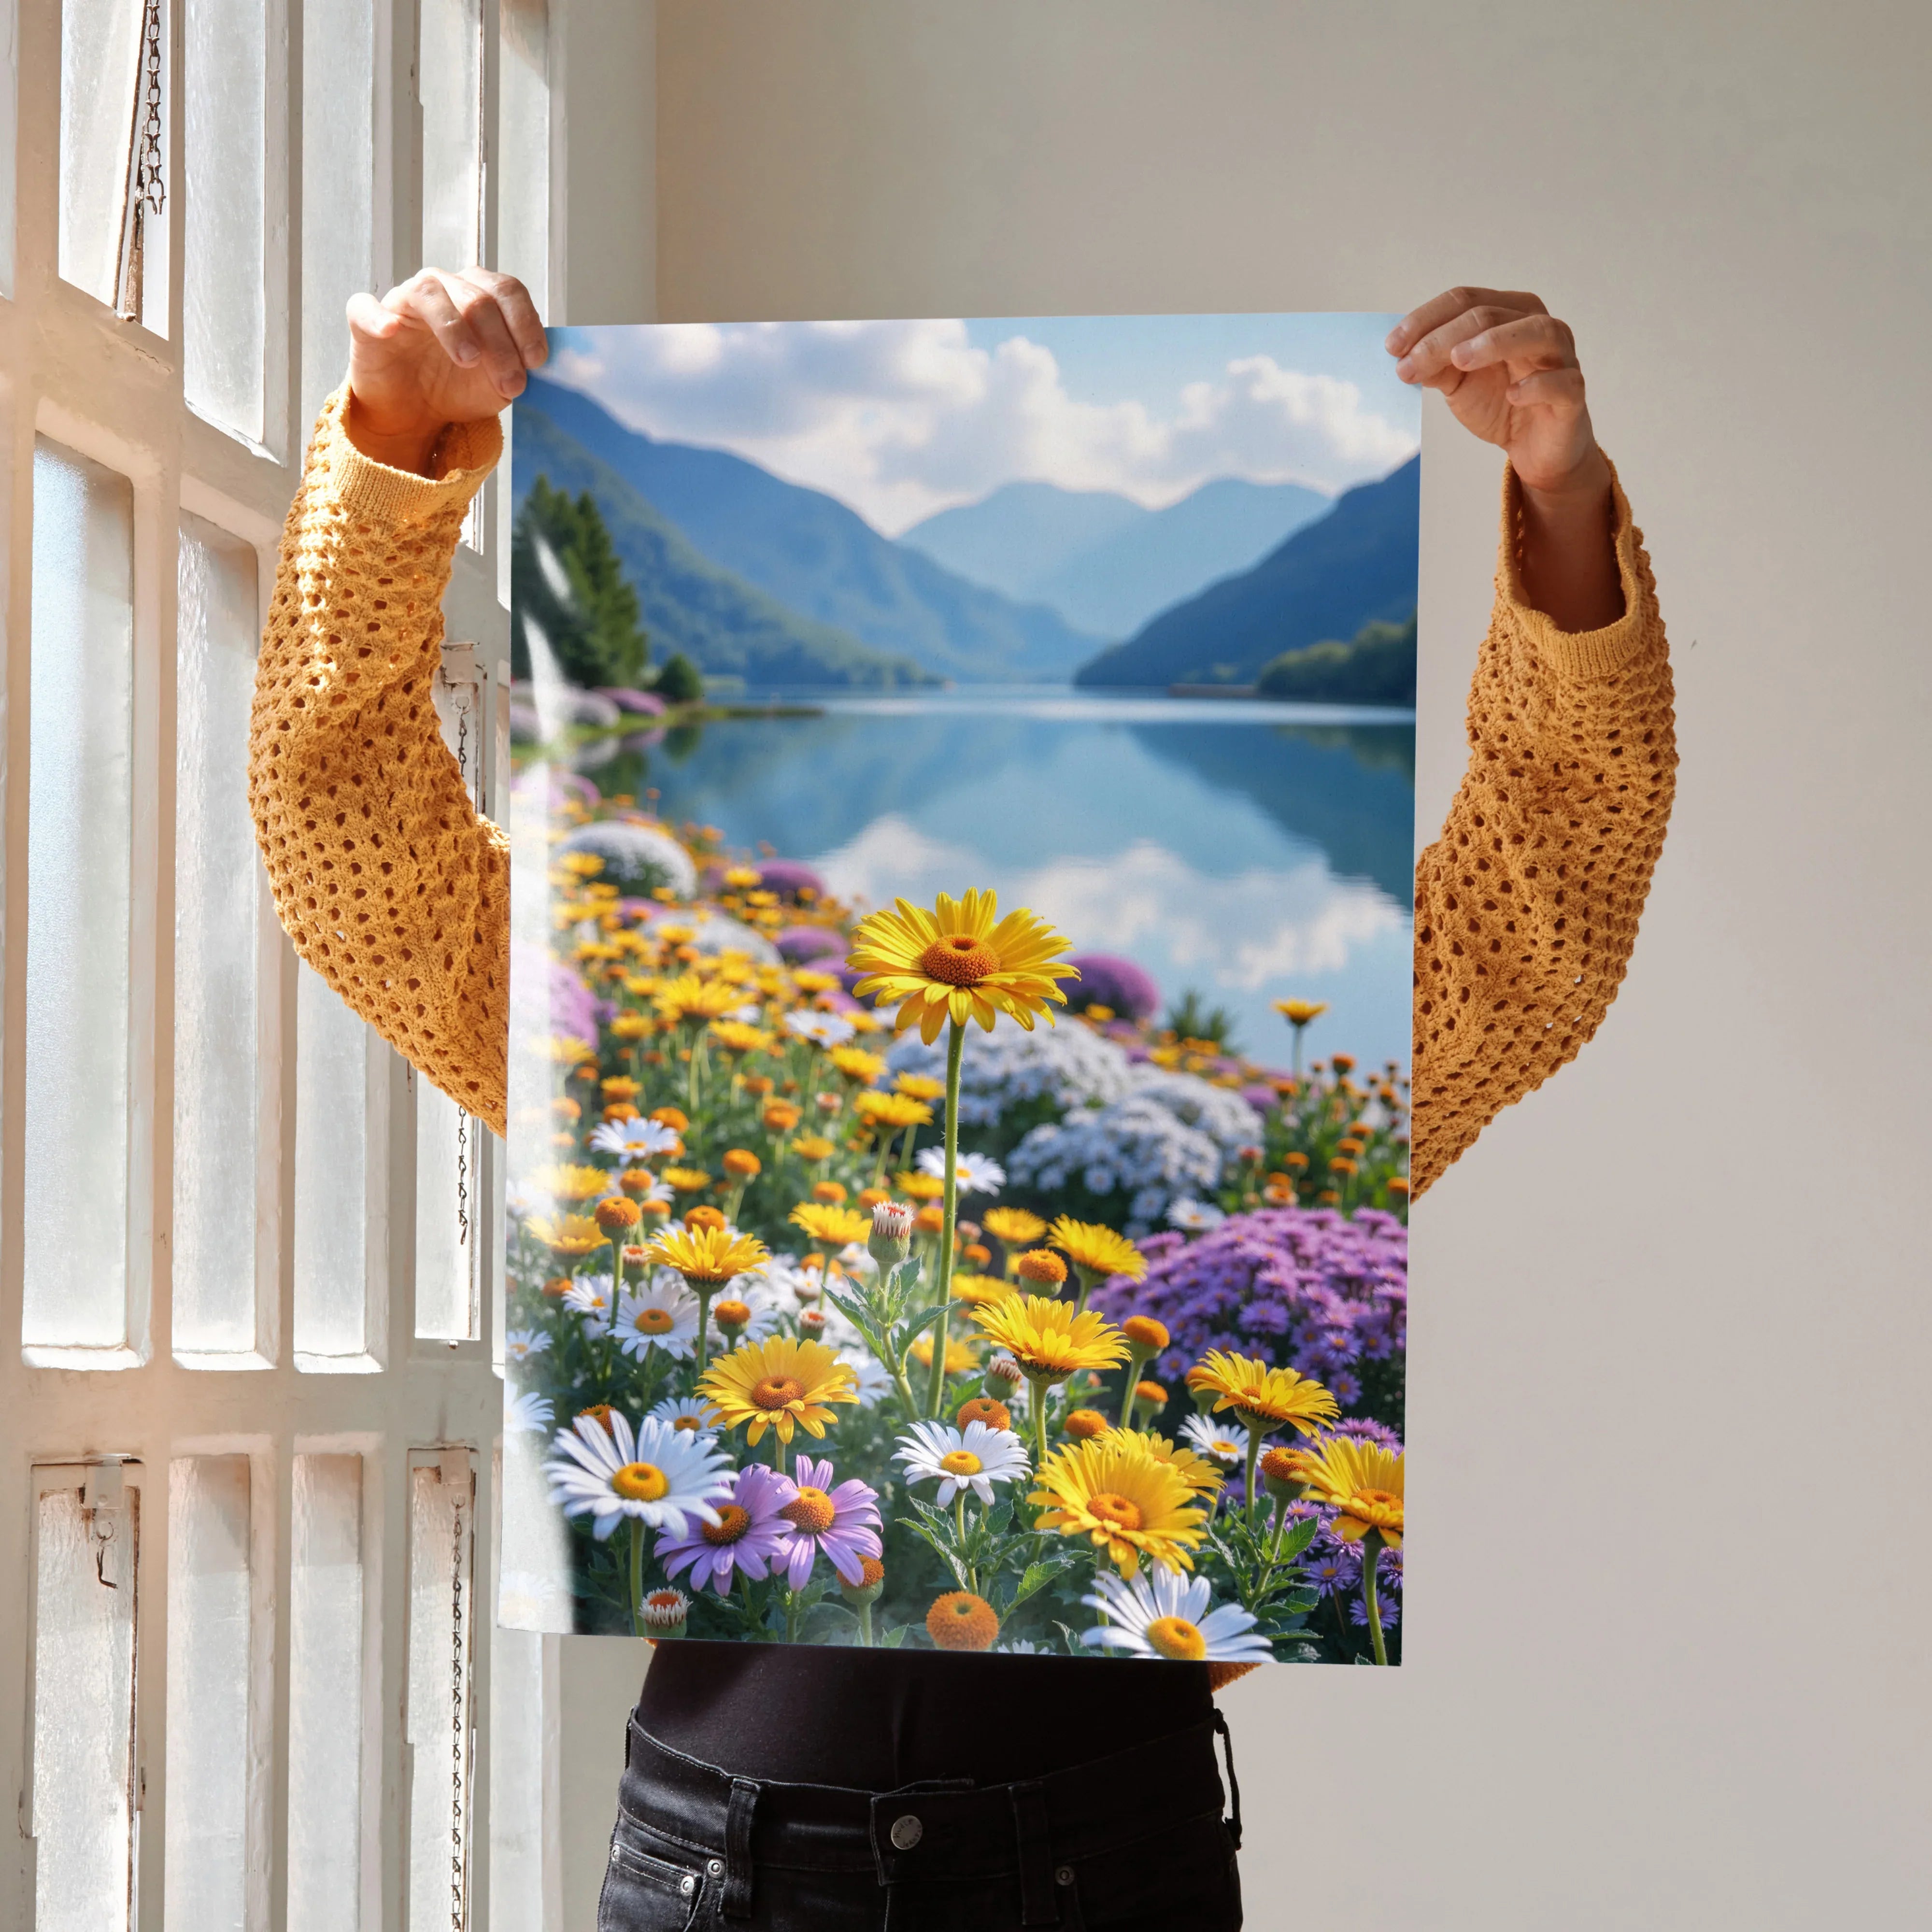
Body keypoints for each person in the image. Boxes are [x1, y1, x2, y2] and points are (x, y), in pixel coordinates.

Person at [249, 270, 1675, 1930]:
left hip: (1103, 1853)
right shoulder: (635, 1024)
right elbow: (347, 840)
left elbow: (1545, 909)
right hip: (729, 1867)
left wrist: (1561, 498)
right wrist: (394, 445)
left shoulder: (1263, 1111)